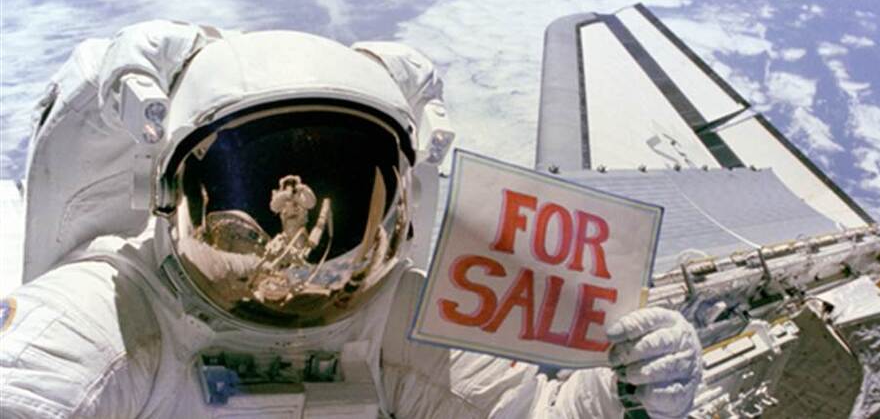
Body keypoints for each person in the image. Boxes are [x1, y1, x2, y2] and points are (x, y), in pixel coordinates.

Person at [0, 21, 702, 418]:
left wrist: (628, 394)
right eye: (258, 191)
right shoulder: (109, 318)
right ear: (166, 196)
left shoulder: (394, 320)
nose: (297, 279)